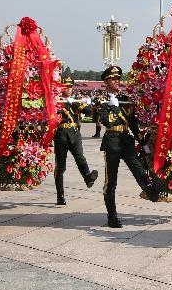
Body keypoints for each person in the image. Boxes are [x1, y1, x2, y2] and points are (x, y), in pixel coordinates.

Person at [98, 65, 159, 228]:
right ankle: (112, 216)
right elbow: (107, 120)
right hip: (111, 141)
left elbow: (132, 123)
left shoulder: (126, 99)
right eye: (113, 79)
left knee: (138, 169)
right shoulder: (102, 99)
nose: (117, 81)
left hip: (126, 140)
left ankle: (151, 192)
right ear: (106, 81)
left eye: (118, 78)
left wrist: (143, 142)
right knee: (111, 181)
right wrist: (113, 106)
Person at [53, 76, 98, 205]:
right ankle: (60, 195)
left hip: (74, 132)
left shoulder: (75, 100)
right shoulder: (56, 101)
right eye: (66, 87)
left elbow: (89, 112)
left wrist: (76, 103)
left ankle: (88, 177)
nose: (68, 89)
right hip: (61, 134)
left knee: (80, 157)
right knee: (60, 167)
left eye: (70, 87)